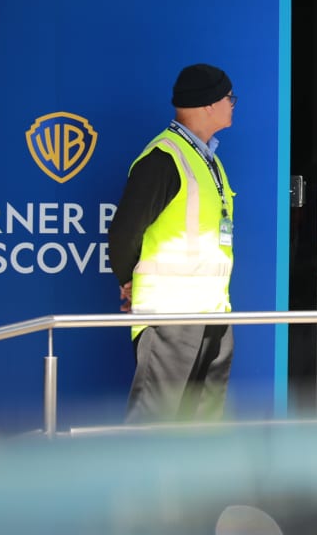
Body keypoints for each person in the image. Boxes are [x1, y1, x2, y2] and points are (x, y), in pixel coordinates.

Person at [108, 63, 238, 423]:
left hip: (212, 311)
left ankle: (196, 482)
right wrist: (127, 280)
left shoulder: (208, 160)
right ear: (209, 103)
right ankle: (136, 482)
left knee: (202, 423)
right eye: (230, 98)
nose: (233, 105)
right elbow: (124, 232)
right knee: (154, 423)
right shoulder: (164, 157)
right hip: (171, 314)